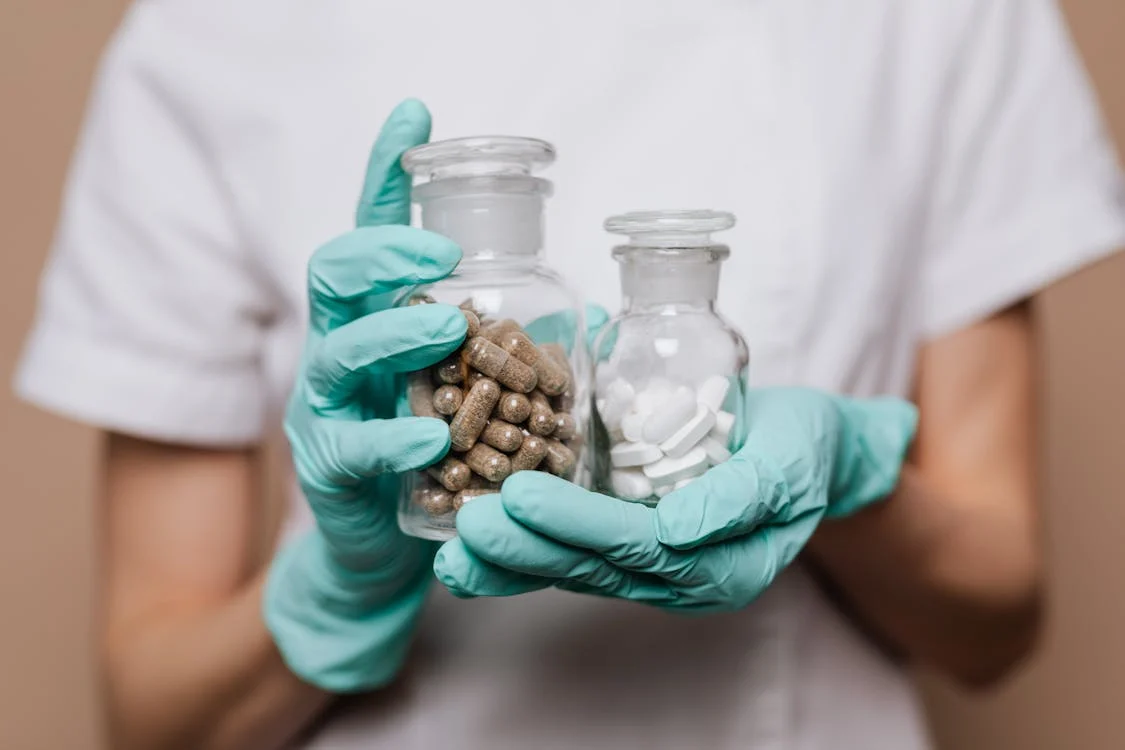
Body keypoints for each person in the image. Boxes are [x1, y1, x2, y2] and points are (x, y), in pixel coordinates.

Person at [15, 0, 1125, 748]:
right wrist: (336, 597)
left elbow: (999, 627)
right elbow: (150, 710)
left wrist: (847, 476)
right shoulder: (205, 35)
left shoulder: (944, 19)